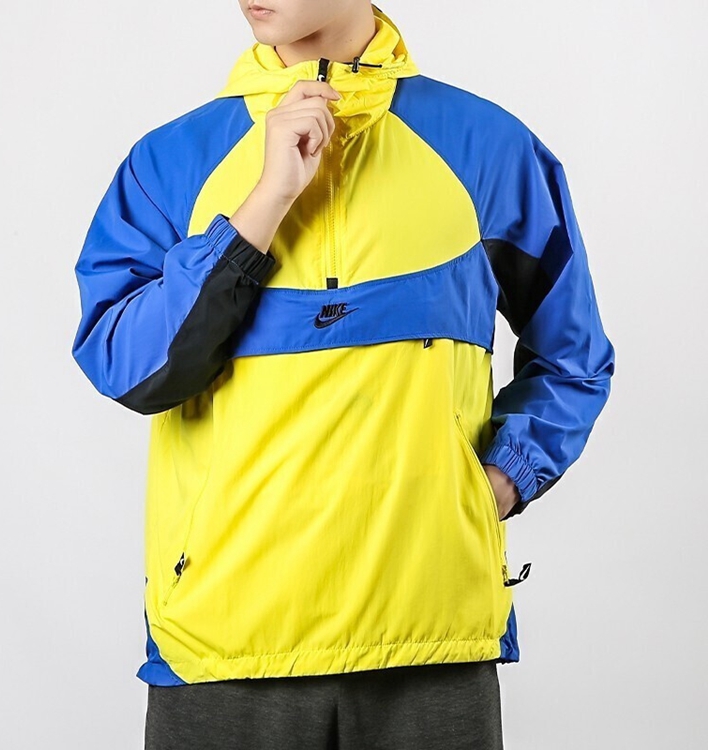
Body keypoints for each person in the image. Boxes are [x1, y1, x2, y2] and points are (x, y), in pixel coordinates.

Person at [71, 1, 615, 747]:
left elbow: (573, 356)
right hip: (224, 647)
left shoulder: (486, 149)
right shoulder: (172, 162)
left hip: (431, 640)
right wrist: (264, 202)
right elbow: (129, 369)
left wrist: (499, 480)